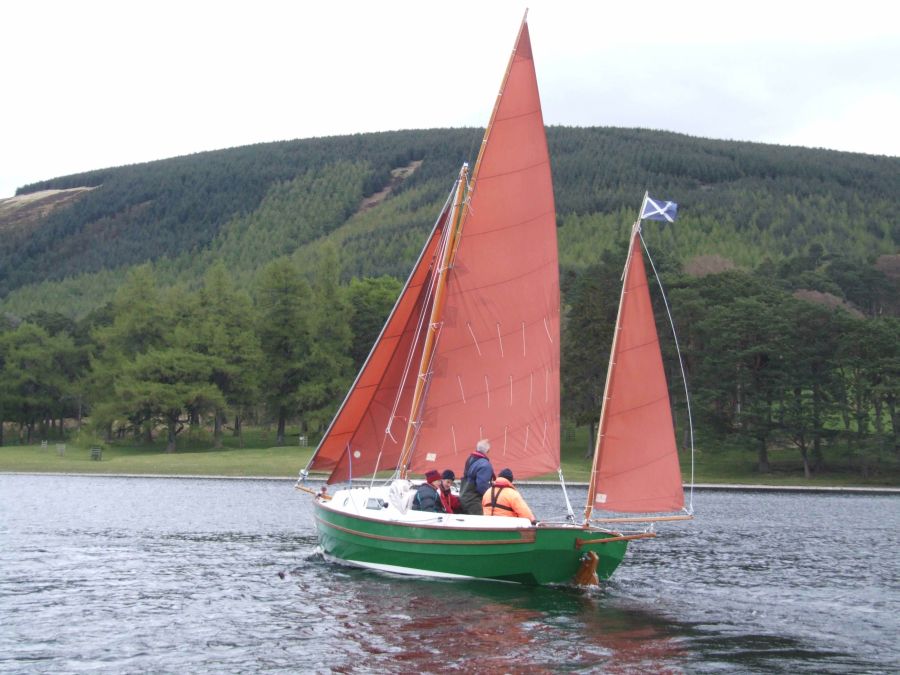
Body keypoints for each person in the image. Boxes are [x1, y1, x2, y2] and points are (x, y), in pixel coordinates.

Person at [458, 439, 495, 515]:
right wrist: (492, 496)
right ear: (488, 451)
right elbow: (482, 486)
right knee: (480, 520)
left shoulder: (470, 459)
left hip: (463, 496)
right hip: (474, 500)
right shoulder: (485, 465)